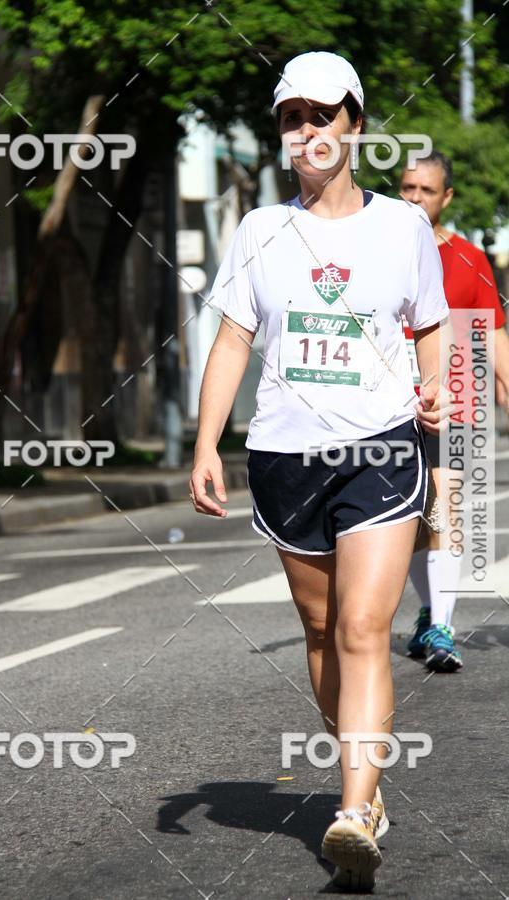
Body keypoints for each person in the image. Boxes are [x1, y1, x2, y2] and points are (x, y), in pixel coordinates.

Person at [189, 51, 450, 891]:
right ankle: (362, 788)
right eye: (291, 116)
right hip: (282, 456)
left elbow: (431, 322)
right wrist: (205, 447)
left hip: (377, 448)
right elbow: (233, 339)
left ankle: (354, 807)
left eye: (322, 114)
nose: (306, 129)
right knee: (319, 630)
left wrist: (436, 389)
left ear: (356, 125)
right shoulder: (259, 230)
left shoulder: (402, 228)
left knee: (365, 628)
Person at [400, 152, 509, 672]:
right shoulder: (383, 247)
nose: (415, 197)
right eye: (407, 187)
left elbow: (492, 330)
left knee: (446, 504)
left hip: (454, 398)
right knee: (415, 520)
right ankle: (427, 609)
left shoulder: (469, 259)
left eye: (426, 189)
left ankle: (441, 624)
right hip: (386, 403)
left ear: (446, 198)